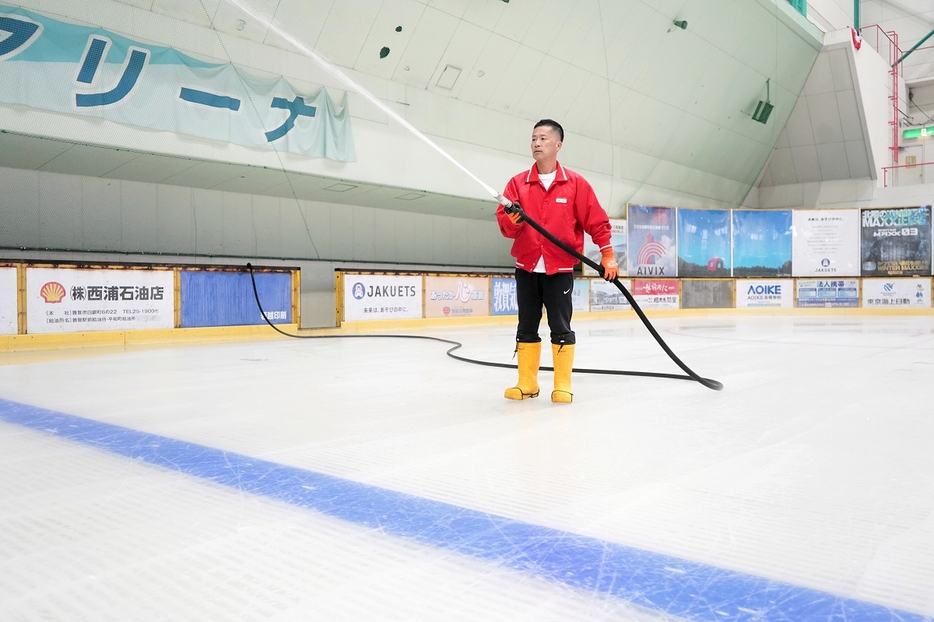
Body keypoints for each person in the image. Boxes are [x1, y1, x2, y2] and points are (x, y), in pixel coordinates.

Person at [496, 119, 618, 404]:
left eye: (543, 139)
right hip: (526, 267)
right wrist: (512, 221)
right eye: (533, 139)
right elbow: (505, 226)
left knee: (560, 325)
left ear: (557, 145)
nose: (536, 143)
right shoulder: (517, 184)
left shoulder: (575, 184)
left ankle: (562, 383)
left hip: (559, 268)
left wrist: (608, 255)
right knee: (526, 324)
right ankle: (527, 382)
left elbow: (597, 222)